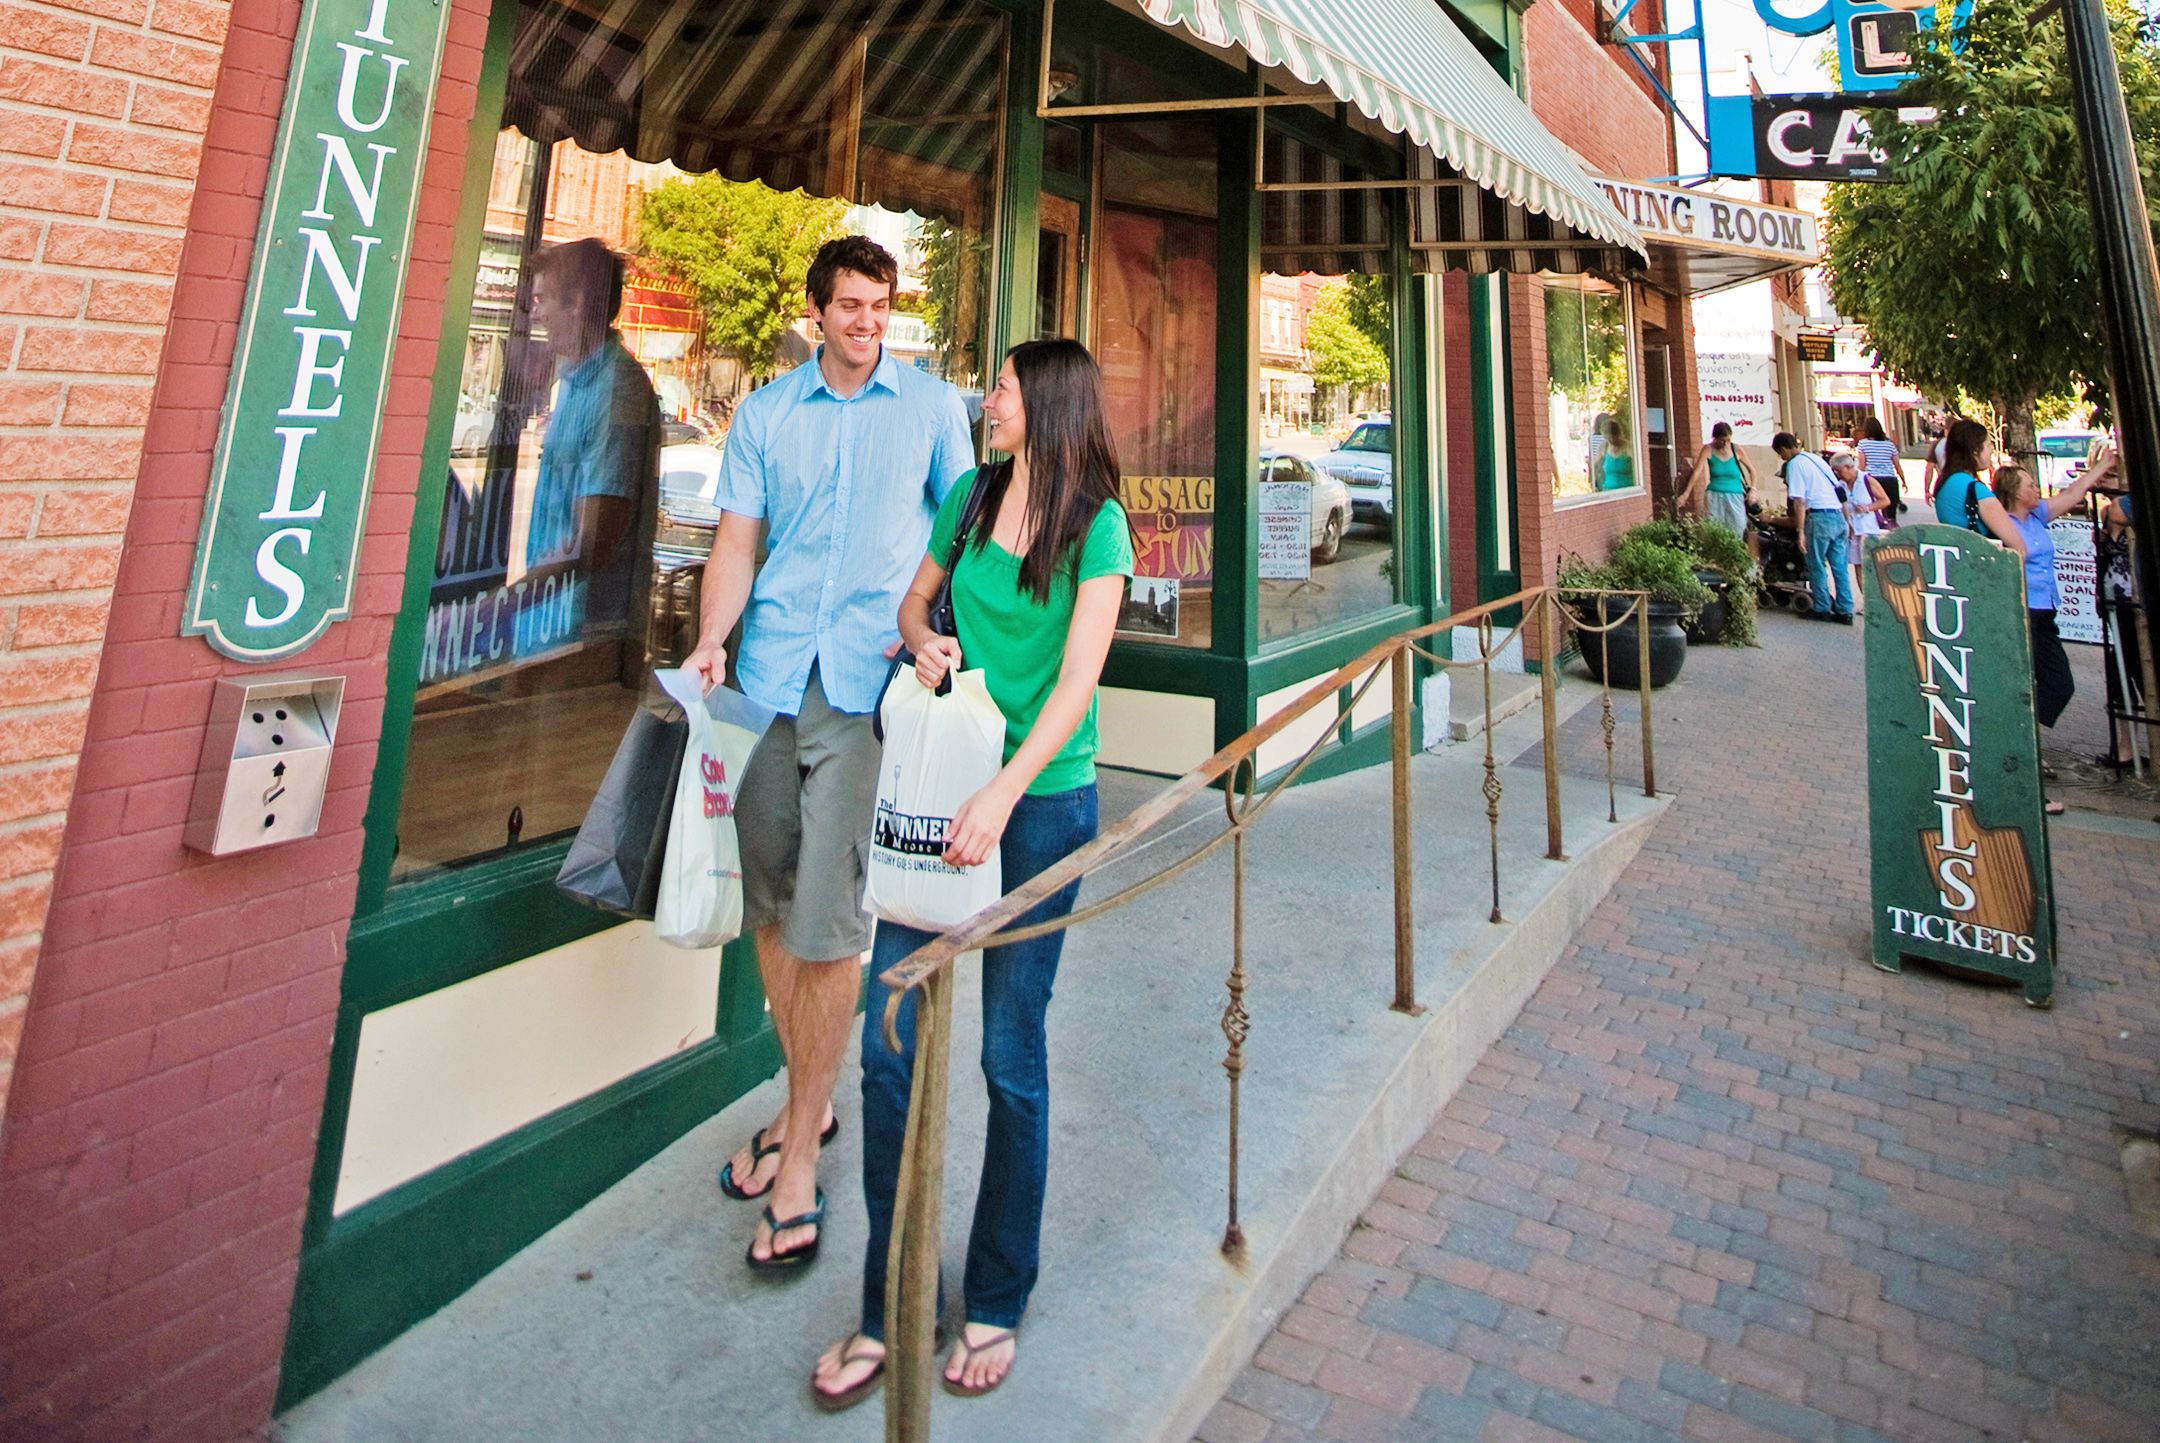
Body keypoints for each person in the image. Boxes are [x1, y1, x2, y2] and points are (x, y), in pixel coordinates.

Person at [811, 338, 1135, 1409]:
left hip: (1038, 811)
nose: (983, 399)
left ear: (1043, 404)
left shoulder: (1099, 529)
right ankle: (890, 1301)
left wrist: (1003, 794)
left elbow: (1078, 684)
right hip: (939, 794)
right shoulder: (969, 492)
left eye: (998, 385)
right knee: (889, 1043)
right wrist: (924, 645)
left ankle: (997, 1293)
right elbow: (912, 608)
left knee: (1008, 1055)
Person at [686, 236, 976, 1272]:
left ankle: (800, 1148)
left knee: (828, 922)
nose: (866, 322)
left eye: (880, 305)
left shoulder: (933, 410)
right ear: (817, 313)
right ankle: (806, 1098)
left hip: (864, 688)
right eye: (849, 306)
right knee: (768, 908)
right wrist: (714, 639)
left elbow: (963, 538)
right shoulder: (766, 415)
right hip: (766, 678)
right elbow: (735, 544)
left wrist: (943, 640)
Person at [525, 238, 660, 632]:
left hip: (581, 638)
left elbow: (592, 542)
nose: (535, 315)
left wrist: (491, 609)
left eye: (542, 300)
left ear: (577, 303)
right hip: (544, 626)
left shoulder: (618, 389)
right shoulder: (572, 381)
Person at [1997, 460, 2108, 812]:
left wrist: (2103, 465)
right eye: (2029, 485)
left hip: (2046, 612)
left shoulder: (2038, 517)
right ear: (2014, 492)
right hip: (2022, 611)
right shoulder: (2005, 523)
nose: (2035, 490)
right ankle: (2018, 750)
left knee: (2059, 684)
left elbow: (2074, 493)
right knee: (2034, 681)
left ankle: (2021, 739)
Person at [1773, 432, 1854, 623]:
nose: (1782, 457)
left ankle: (1822, 607)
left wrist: (1800, 531)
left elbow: (1800, 501)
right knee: (1840, 567)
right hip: (1837, 515)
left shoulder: (1794, 465)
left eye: (1780, 453)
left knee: (1816, 565)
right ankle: (1845, 610)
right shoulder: (1816, 459)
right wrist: (1847, 520)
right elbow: (1839, 491)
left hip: (1819, 517)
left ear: (1784, 448)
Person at [1930, 418, 2026, 557]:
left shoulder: (1944, 483)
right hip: (1981, 565)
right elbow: (2019, 548)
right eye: (1988, 445)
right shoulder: (1975, 489)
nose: (1992, 450)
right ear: (1975, 451)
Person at [1832, 450, 1889, 614]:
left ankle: (1880, 600)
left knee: (1871, 565)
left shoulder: (1866, 479)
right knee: (1858, 566)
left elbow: (1885, 500)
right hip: (1852, 530)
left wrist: (1868, 508)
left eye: (1839, 470)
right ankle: (1868, 602)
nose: (1837, 474)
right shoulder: (1840, 485)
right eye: (1834, 471)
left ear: (1848, 467)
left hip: (1869, 528)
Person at [1682, 421, 1754, 537]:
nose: (1725, 443)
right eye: (1722, 440)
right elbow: (1697, 472)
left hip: (1735, 493)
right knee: (1714, 527)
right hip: (1715, 494)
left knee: (1738, 526)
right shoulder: (1708, 449)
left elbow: (1752, 470)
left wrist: (1753, 489)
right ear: (1715, 438)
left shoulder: (1737, 450)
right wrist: (1686, 493)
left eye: (1728, 440)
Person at [1856, 416, 1904, 521]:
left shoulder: (1863, 444)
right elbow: (1897, 465)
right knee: (1891, 513)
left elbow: (1862, 466)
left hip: (1872, 479)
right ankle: (1891, 531)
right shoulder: (1890, 445)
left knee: (1874, 510)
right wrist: (1903, 480)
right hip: (1890, 479)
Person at [1597, 417, 1634, 490]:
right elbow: (1597, 467)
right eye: (1606, 438)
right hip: (1608, 490)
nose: (1610, 441)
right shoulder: (1603, 447)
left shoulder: (1628, 447)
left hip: (1627, 490)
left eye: (1611, 437)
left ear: (1617, 434)